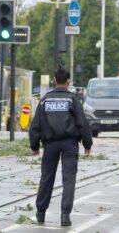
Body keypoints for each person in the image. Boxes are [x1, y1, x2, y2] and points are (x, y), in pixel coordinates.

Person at [29, 67, 93, 227]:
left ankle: (40, 212)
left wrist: (34, 144)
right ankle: (65, 215)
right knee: (69, 179)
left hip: (50, 144)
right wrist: (87, 143)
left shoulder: (45, 100)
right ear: (68, 81)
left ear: (54, 80)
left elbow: (36, 124)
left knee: (46, 178)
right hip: (70, 144)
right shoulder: (73, 100)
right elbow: (82, 123)